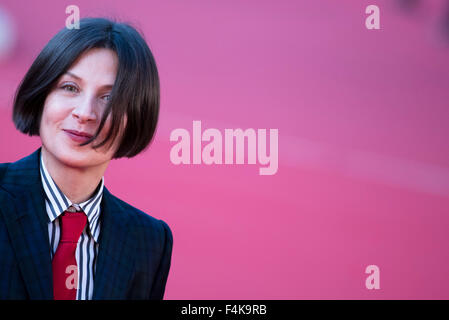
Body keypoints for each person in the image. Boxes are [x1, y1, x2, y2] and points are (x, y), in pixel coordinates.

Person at [0, 17, 173, 300]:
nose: (85, 112)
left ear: (136, 116)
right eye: (70, 88)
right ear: (42, 94)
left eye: (110, 97)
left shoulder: (149, 240)